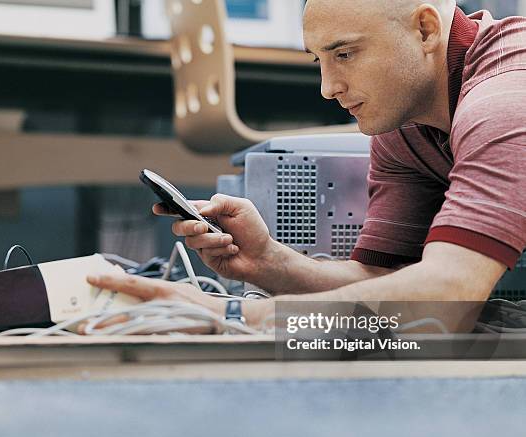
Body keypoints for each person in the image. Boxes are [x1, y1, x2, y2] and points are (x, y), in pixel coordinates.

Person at [88, 0, 526, 331]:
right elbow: (383, 279)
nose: (328, 88)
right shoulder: (402, 124)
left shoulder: (506, 98)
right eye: (320, 60)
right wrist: (271, 263)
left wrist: (233, 315)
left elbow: (448, 297)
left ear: (425, 29)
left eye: (346, 54)